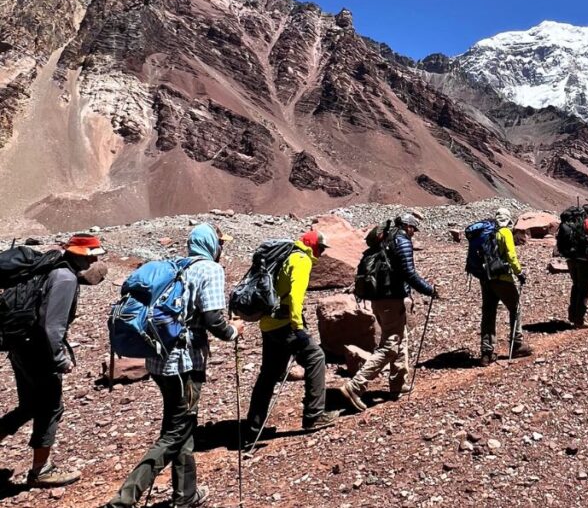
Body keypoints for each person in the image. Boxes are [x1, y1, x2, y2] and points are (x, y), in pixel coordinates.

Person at [106, 224, 244, 508]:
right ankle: (124, 499)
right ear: (210, 244)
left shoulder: (178, 266)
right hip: (184, 363)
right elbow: (214, 320)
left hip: (157, 360)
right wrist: (234, 332)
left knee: (183, 427)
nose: (222, 248)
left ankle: (186, 495)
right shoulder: (210, 270)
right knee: (173, 434)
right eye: (220, 242)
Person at [0, 234, 108, 488]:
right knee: (50, 407)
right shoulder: (65, 278)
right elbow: (52, 326)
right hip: (38, 352)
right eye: (93, 255)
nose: (95, 260)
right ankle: (41, 469)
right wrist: (60, 359)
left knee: (28, 406)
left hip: (20, 344)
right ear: (83, 256)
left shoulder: (49, 266)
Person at [244, 230, 337, 445]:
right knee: (316, 357)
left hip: (268, 323)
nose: (321, 254)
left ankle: (253, 427)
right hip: (285, 324)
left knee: (268, 375)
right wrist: (299, 328)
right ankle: (314, 415)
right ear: (312, 245)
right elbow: (296, 297)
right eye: (321, 248)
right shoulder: (301, 260)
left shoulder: (283, 255)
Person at [339, 213, 439, 411]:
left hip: (378, 298)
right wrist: (429, 290)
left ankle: (398, 385)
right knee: (390, 344)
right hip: (390, 299)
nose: (413, 233)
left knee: (401, 339)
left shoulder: (385, 239)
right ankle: (355, 386)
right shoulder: (401, 241)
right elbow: (408, 273)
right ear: (408, 226)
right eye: (413, 229)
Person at [478, 208, 531, 366]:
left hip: (486, 278)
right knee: (515, 308)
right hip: (502, 278)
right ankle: (517, 344)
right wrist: (519, 273)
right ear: (507, 220)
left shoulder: (486, 233)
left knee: (488, 312)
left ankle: (486, 352)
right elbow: (511, 255)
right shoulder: (505, 232)